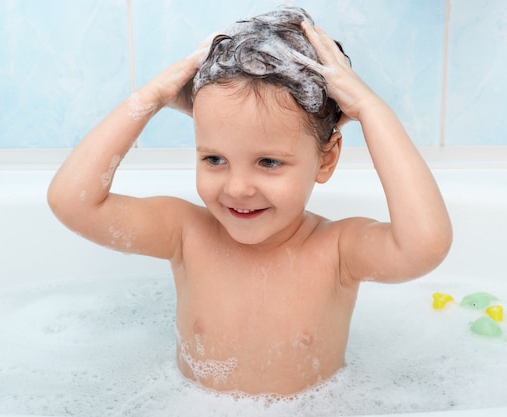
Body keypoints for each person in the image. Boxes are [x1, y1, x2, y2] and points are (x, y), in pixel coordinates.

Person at [48, 6, 452, 395]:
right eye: (214, 159)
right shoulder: (186, 234)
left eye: (269, 162)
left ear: (325, 160)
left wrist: (370, 110)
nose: (237, 188)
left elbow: (424, 245)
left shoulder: (338, 250)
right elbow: (73, 202)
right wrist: (153, 94)